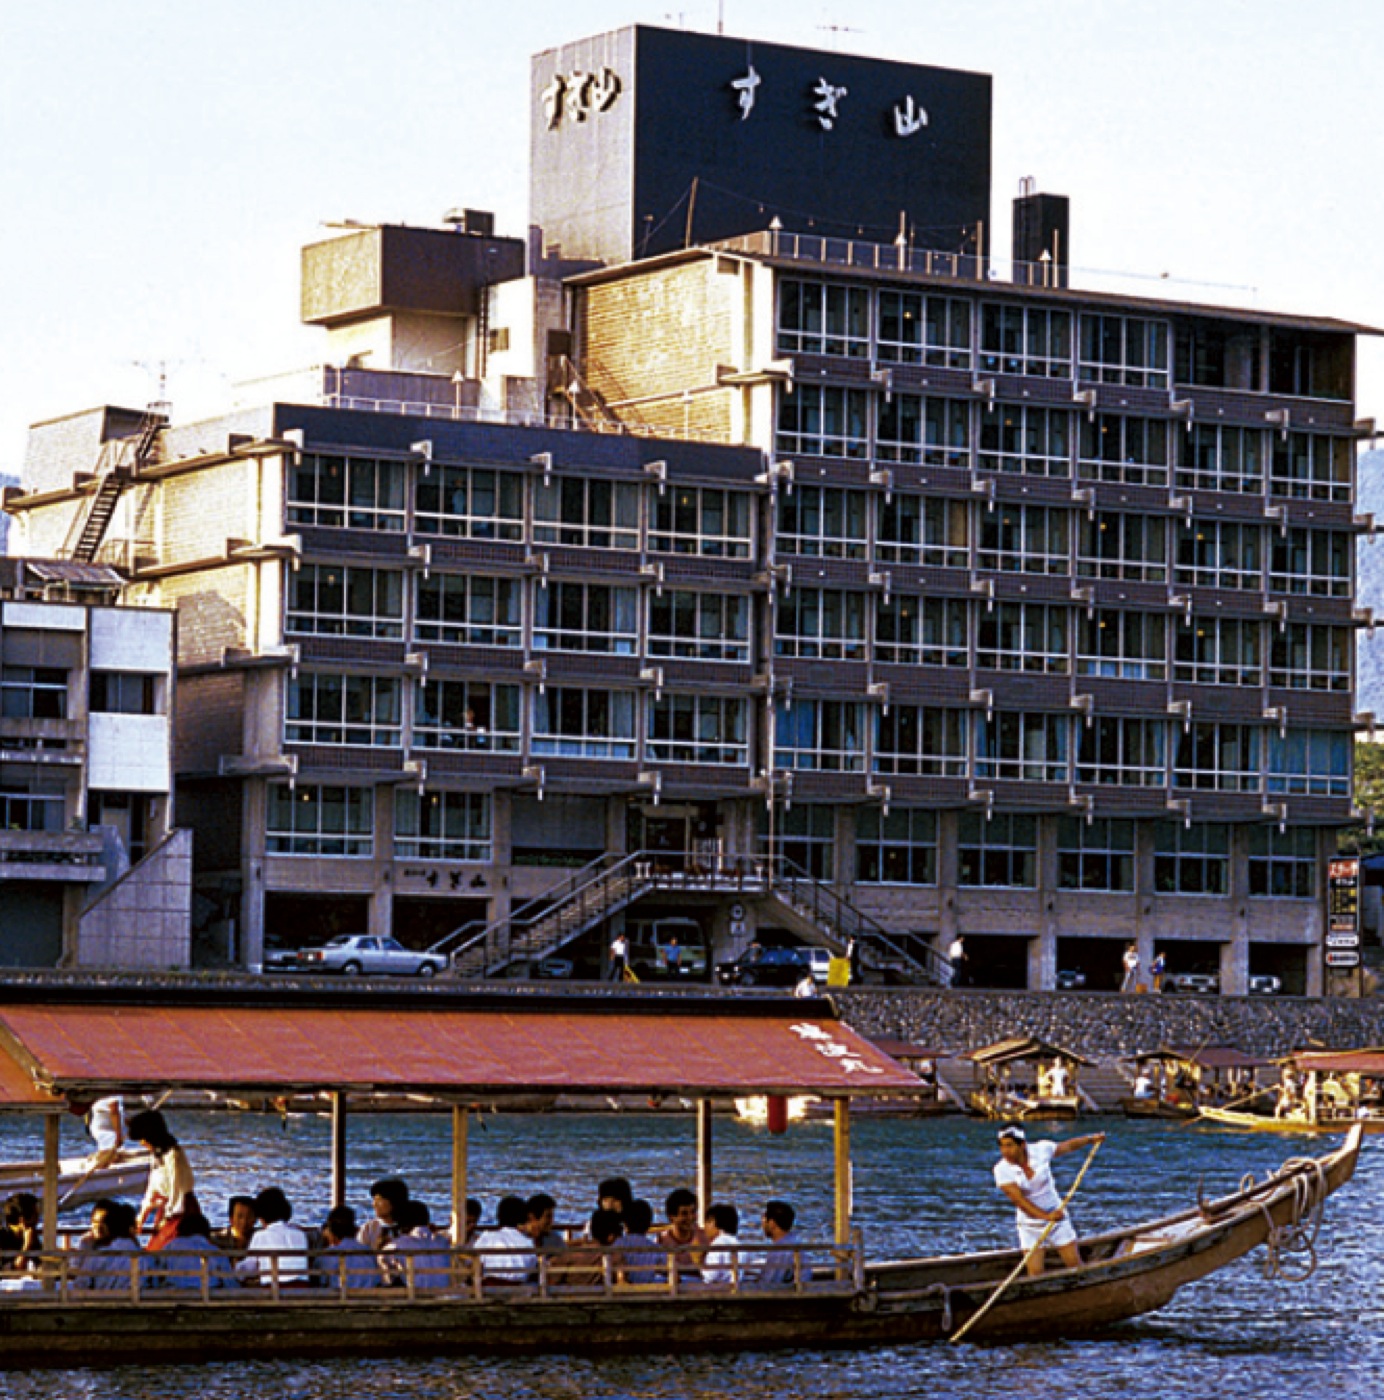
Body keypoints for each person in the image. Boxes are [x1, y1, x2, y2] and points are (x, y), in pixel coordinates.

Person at [992, 1125, 1104, 1276]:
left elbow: (1067, 1146)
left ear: (1022, 1144)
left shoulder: (1041, 1150)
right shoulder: (1001, 1170)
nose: (1005, 1151)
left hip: (1057, 1217)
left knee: (1074, 1265)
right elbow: (1020, 1202)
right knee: (1035, 1273)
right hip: (1030, 1224)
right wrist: (1046, 1217)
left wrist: (1090, 1139)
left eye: (1009, 1145)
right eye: (1002, 1146)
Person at [127, 1108, 194, 1249]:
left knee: (166, 1248)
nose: (141, 1143)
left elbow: (177, 1189)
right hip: (165, 1209)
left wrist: (170, 1217)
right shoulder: (156, 1155)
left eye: (142, 1139)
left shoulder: (173, 1155)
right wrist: (142, 1216)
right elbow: (152, 1187)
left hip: (181, 1211)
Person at [153, 1205, 238, 1291]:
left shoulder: (170, 1247)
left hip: (175, 1295)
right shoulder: (215, 1251)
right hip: (208, 1294)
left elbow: (156, 1272)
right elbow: (231, 1284)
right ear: (206, 1232)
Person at [236, 1186, 310, 1284]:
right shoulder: (300, 1234)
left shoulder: (260, 1236)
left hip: (273, 1289)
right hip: (301, 1289)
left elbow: (249, 1268)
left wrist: (236, 1267)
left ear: (262, 1215)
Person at [71, 1199, 145, 1292]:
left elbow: (80, 1285)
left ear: (112, 1225)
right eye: (95, 1222)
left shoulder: (98, 1256)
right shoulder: (139, 1254)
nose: (98, 1227)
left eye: (103, 1222)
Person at [384, 1199, 452, 1290]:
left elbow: (385, 1277)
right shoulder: (442, 1242)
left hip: (414, 1297)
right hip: (443, 1295)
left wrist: (380, 1246)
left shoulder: (396, 1245)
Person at [472, 1194, 536, 1285]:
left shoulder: (487, 1237)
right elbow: (531, 1268)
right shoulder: (528, 1242)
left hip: (491, 1290)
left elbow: (476, 1262)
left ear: (499, 1216)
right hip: (519, 1291)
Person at [550, 1209, 622, 1287]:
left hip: (571, 1296)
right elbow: (621, 1283)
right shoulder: (615, 1257)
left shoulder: (568, 1255)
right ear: (611, 1236)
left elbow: (552, 1282)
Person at [317, 1204, 379, 1290]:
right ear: (354, 1229)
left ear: (331, 1231)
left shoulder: (326, 1256)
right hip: (367, 1299)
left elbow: (319, 1282)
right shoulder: (368, 1252)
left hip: (336, 1300)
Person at [656, 1187, 708, 1276]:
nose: (690, 1217)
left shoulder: (703, 1238)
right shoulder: (662, 1241)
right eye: (684, 1214)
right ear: (671, 1217)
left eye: (693, 1212)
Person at [618, 1198, 663, 1284]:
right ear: (649, 1224)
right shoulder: (656, 1249)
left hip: (621, 1293)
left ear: (625, 1223)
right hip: (646, 1292)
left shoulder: (617, 1244)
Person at [755, 1199, 799, 1287]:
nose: (762, 1226)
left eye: (764, 1221)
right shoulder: (795, 1241)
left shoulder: (780, 1250)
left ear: (771, 1224)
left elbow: (768, 1283)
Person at [359, 1176, 410, 1253]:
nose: (374, 1204)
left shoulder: (410, 1227)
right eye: (374, 1200)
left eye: (379, 1200)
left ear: (394, 1201)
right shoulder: (368, 1229)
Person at [701, 1203, 742, 1286]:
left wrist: (700, 1268)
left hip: (720, 1290)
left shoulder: (717, 1244)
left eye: (707, 1222)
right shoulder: (738, 1243)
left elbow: (711, 1276)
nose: (704, 1227)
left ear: (713, 1222)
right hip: (735, 1287)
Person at [0, 1193, 40, 1272]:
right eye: (35, 1215)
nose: (37, 1220)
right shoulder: (2, 1236)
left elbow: (39, 1262)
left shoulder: (29, 1236)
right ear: (22, 1220)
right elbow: (14, 1270)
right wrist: (26, 1246)